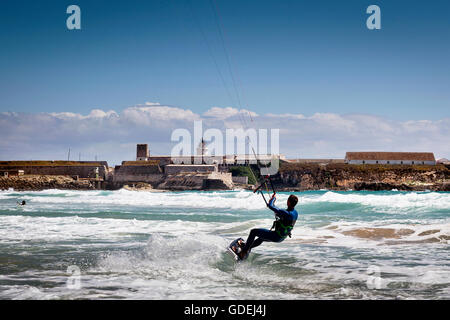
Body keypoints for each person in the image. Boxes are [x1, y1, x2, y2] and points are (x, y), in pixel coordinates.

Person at [238, 194, 299, 260]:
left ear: (288, 202)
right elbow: (283, 216)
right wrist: (277, 211)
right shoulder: (295, 213)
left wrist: (273, 199)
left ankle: (243, 252)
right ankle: (248, 247)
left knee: (253, 232)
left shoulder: (286, 213)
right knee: (261, 238)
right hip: (282, 237)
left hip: (276, 236)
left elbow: (271, 206)